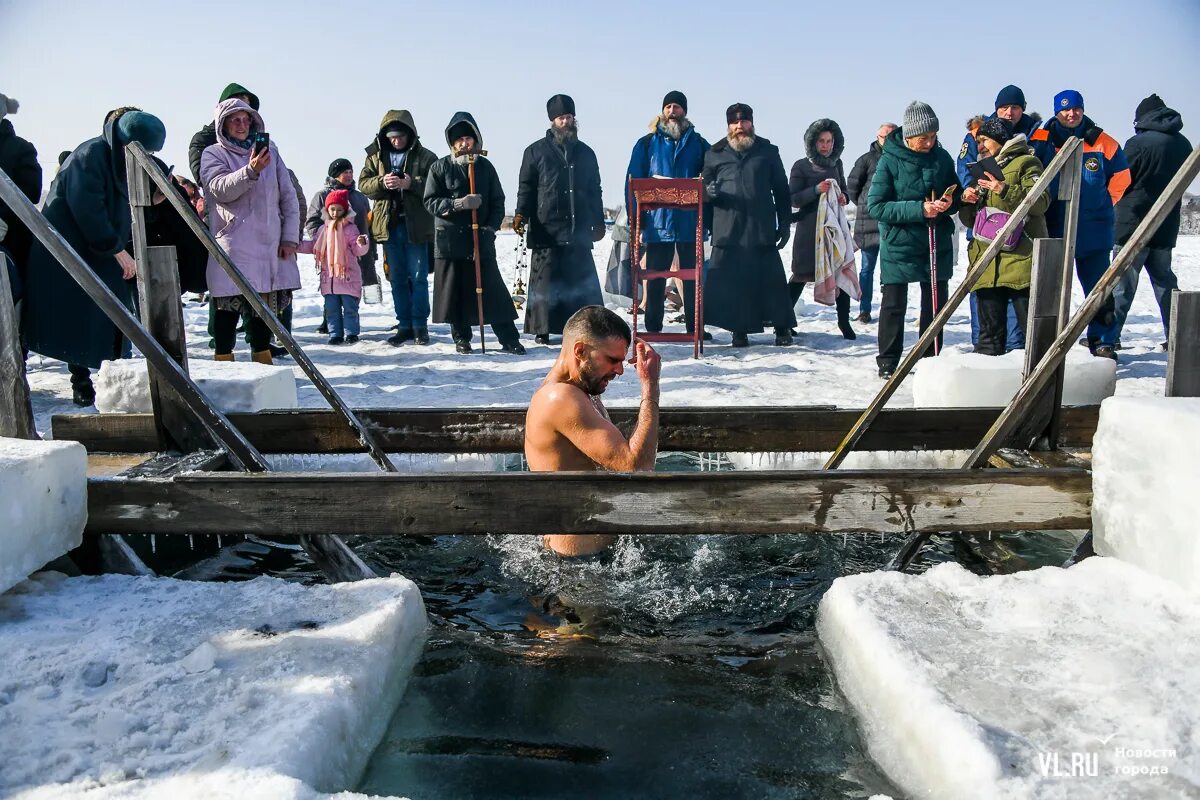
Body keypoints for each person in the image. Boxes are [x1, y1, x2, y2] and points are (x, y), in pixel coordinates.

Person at [21, 110, 167, 406]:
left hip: (101, 249)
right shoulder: (90, 156)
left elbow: (121, 200)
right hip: (71, 250)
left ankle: (111, 379)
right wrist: (117, 249)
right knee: (74, 316)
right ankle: (79, 381)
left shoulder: (119, 157)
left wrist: (151, 197)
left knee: (106, 316)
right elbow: (88, 209)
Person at [525, 306, 661, 557]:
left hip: (594, 555)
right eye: (612, 360)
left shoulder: (579, 390)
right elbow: (637, 467)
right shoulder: (560, 397)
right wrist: (650, 386)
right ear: (580, 351)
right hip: (577, 564)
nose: (620, 370)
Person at [1031, 89, 1130, 361]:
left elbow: (1122, 177)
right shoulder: (1040, 138)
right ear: (1056, 112)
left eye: (1076, 109)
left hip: (1093, 231)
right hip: (1053, 227)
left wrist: (1102, 203)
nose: (1071, 114)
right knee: (1048, 289)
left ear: (1083, 110)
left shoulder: (1102, 141)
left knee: (1099, 289)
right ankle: (1046, 340)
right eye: (1065, 110)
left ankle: (1103, 340)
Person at [200, 98, 300, 364]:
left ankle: (263, 359)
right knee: (227, 304)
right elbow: (219, 189)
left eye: (246, 119)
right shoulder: (213, 154)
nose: (242, 125)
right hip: (234, 241)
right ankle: (223, 361)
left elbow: (287, 195)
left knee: (262, 306)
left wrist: (290, 236)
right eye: (235, 119)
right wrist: (250, 171)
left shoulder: (270, 150)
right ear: (223, 124)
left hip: (268, 241)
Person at [867, 101, 960, 378]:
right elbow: (877, 206)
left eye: (933, 136)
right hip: (899, 243)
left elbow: (953, 193)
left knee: (934, 303)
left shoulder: (942, 158)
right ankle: (888, 360)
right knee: (894, 304)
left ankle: (929, 359)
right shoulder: (890, 160)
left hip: (934, 242)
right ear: (908, 136)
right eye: (924, 138)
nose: (930, 143)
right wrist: (919, 209)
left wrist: (950, 201)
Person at [423, 111, 524, 354]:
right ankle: (462, 338)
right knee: (456, 293)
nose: (464, 144)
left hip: (481, 240)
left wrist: (490, 227)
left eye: (468, 139)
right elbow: (430, 201)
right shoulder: (439, 167)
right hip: (450, 242)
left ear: (476, 141)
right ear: (452, 143)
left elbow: (498, 200)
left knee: (494, 290)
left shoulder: (486, 167)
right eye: (459, 140)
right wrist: (457, 204)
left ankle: (509, 339)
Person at [514, 94, 606, 345]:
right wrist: (521, 213)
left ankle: (586, 328)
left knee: (580, 281)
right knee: (546, 281)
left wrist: (598, 220)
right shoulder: (534, 152)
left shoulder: (587, 153)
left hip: (578, 228)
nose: (565, 121)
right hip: (547, 226)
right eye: (560, 118)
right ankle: (542, 329)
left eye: (569, 117)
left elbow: (595, 189)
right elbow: (526, 187)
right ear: (552, 121)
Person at [701, 103, 796, 347]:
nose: (740, 127)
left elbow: (782, 191)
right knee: (733, 282)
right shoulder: (715, 152)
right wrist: (708, 192)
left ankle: (782, 328)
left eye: (744, 122)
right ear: (728, 126)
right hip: (728, 229)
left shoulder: (768, 151)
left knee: (771, 280)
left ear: (752, 123)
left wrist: (784, 223)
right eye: (735, 122)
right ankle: (738, 330)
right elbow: (703, 191)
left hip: (760, 227)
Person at [959, 87, 1042, 351]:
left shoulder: (1027, 163)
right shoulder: (983, 167)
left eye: (985, 141)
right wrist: (968, 201)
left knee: (1026, 336)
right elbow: (974, 220)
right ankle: (985, 386)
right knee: (988, 337)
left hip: (1018, 260)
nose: (980, 147)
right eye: (979, 142)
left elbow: (1040, 203)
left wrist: (1003, 189)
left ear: (1000, 140)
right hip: (987, 261)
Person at [625, 91, 711, 336]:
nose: (673, 111)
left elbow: (710, 178)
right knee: (654, 278)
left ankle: (695, 326)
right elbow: (632, 180)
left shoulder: (699, 144)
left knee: (693, 278)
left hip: (689, 222)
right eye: (669, 106)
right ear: (663, 111)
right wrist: (634, 220)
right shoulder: (646, 144)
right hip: (656, 221)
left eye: (678, 107)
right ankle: (653, 327)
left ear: (685, 112)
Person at [1111, 94, 1192, 349]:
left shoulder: (1137, 144)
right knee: (1165, 282)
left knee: (1121, 285)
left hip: (1132, 225)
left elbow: (1120, 179)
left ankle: (1109, 338)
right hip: (1165, 225)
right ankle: (1179, 337)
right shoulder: (1184, 144)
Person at [360, 111, 437, 346]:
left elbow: (437, 185)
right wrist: (383, 182)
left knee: (419, 278)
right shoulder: (375, 157)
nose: (396, 141)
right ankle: (404, 325)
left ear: (410, 134)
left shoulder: (426, 156)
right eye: (392, 137)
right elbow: (364, 184)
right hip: (390, 227)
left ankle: (420, 326)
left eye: (401, 136)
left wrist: (411, 183)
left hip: (417, 227)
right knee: (397, 278)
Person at [789, 118, 856, 340]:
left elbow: (845, 190)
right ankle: (785, 321)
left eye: (829, 141)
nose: (826, 145)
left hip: (835, 229)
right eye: (821, 141)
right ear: (812, 142)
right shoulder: (801, 166)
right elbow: (794, 199)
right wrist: (816, 190)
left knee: (839, 273)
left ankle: (844, 322)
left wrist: (843, 197)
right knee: (800, 276)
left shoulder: (837, 164)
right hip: (809, 231)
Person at [306, 158, 376, 332]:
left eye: (351, 171)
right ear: (335, 175)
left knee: (352, 285)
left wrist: (369, 245)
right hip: (331, 251)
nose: (349, 175)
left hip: (357, 247)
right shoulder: (322, 195)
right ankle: (329, 323)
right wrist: (322, 240)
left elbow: (368, 222)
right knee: (332, 285)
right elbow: (312, 220)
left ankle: (351, 324)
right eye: (345, 172)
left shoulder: (359, 197)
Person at [304, 189, 369, 345]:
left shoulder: (351, 229)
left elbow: (357, 250)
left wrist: (362, 242)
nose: (335, 212)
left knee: (350, 309)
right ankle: (335, 334)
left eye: (339, 210)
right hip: (329, 279)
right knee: (331, 310)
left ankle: (351, 333)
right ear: (327, 210)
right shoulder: (322, 229)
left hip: (347, 277)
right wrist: (296, 245)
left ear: (345, 210)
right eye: (332, 209)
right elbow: (314, 246)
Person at [846, 122, 896, 324]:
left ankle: (889, 308)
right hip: (867, 224)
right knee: (867, 269)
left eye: (892, 136)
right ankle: (864, 309)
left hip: (891, 223)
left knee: (890, 270)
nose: (887, 140)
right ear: (878, 137)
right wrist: (865, 203)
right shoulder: (866, 160)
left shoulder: (901, 159)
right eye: (884, 136)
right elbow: (852, 186)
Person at [0, 93, 42, 292]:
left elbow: (31, 193)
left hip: (11, 240)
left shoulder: (20, 148)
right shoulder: (20, 148)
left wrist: (4, 218)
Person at [189, 82, 259, 185]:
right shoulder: (203, 140)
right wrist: (249, 172)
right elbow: (205, 180)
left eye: (246, 108)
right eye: (235, 107)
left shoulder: (258, 142)